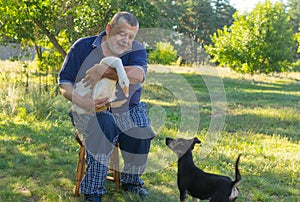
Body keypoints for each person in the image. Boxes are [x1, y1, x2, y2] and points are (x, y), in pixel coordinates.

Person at [58, 11, 155, 202]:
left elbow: (138, 75)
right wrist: (81, 101)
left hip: (126, 108)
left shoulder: (136, 50)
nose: (126, 40)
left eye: (131, 36)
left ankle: (132, 181)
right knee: (104, 124)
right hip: (88, 108)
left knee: (142, 127)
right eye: (121, 33)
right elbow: (64, 82)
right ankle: (93, 191)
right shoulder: (83, 46)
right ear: (109, 29)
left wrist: (105, 69)